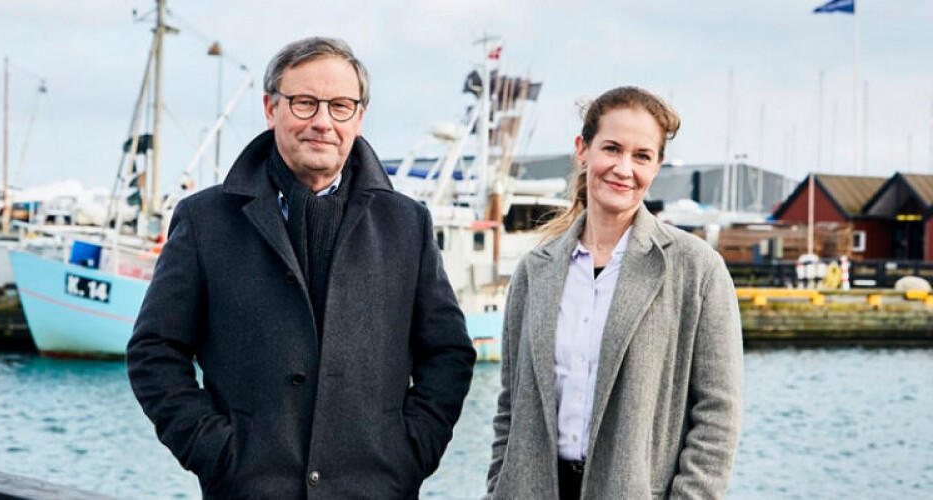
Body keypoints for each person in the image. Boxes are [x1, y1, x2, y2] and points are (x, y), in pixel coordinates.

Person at [127, 37, 476, 499]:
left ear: (359, 117)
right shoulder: (205, 220)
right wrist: (215, 452)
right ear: (271, 109)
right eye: (305, 103)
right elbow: (154, 350)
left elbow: (449, 353)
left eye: (340, 106)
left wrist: (411, 452)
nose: (322, 122)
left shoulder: (407, 225)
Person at [484, 87, 743, 499]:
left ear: (656, 166)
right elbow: (509, 409)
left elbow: (717, 417)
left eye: (642, 156)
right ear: (582, 151)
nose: (624, 168)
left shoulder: (697, 270)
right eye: (612, 148)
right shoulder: (534, 272)